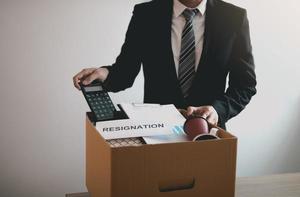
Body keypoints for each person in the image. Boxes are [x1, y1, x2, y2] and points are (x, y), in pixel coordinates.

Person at [73, 0, 257, 129]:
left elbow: (244, 85)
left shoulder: (234, 18)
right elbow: (125, 72)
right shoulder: (146, 14)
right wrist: (104, 73)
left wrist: (217, 110)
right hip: (155, 132)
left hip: (207, 132)